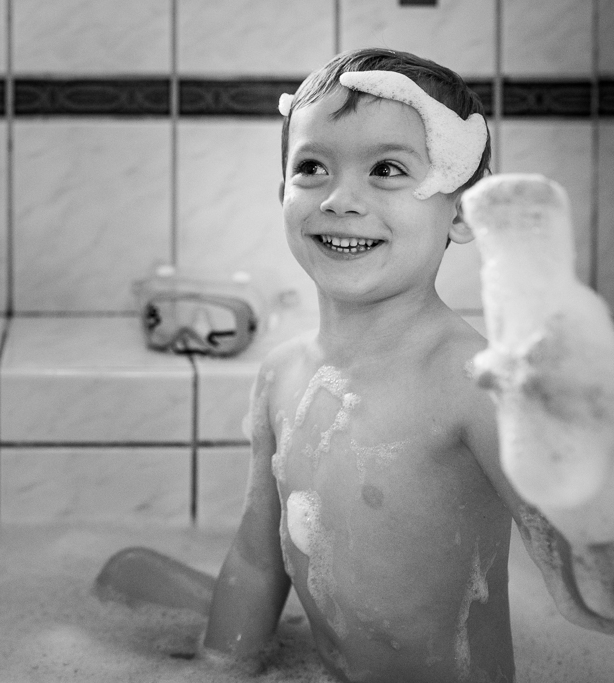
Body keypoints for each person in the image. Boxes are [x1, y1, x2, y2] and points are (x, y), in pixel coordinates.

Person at [95, 47, 614, 683]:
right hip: (324, 667)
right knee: (123, 569)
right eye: (312, 167)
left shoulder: (470, 380)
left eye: (388, 170)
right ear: (281, 189)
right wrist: (222, 665)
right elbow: (260, 560)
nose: (342, 198)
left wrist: (577, 453)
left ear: (459, 210)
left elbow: (582, 580)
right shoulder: (282, 373)